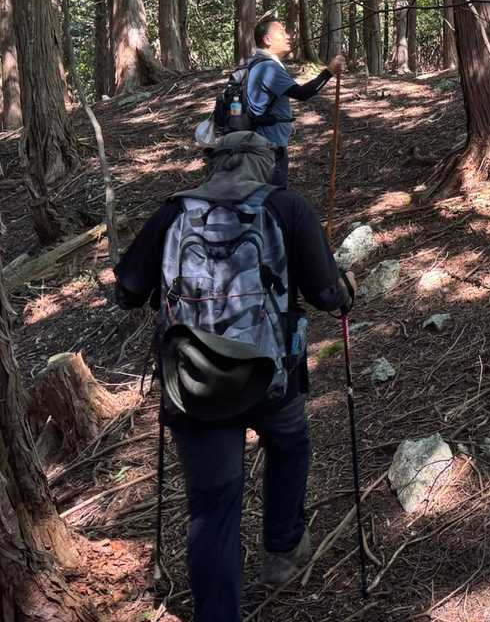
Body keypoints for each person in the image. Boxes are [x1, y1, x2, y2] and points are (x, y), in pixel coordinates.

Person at [114, 132, 358, 622]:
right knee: (290, 443)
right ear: (267, 164)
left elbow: (126, 293)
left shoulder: (174, 211)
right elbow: (327, 294)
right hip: (271, 378)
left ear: (215, 163)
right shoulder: (287, 207)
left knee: (213, 508)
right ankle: (283, 549)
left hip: (195, 386)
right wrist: (346, 288)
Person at [240, 17, 344, 187]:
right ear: (267, 40)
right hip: (269, 147)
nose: (288, 36)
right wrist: (329, 72)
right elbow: (303, 93)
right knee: (273, 194)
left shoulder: (255, 62)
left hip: (257, 142)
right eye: (281, 32)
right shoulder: (268, 68)